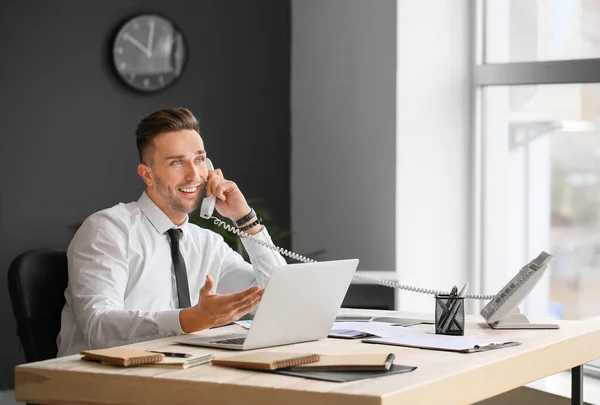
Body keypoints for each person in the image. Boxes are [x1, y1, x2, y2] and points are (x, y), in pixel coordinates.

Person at [57, 107, 286, 357]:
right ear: (147, 174)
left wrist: (246, 220)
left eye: (199, 160)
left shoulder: (207, 243)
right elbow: (97, 327)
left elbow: (277, 300)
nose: (194, 175)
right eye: (177, 162)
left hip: (181, 376)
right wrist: (188, 320)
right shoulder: (109, 229)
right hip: (102, 382)